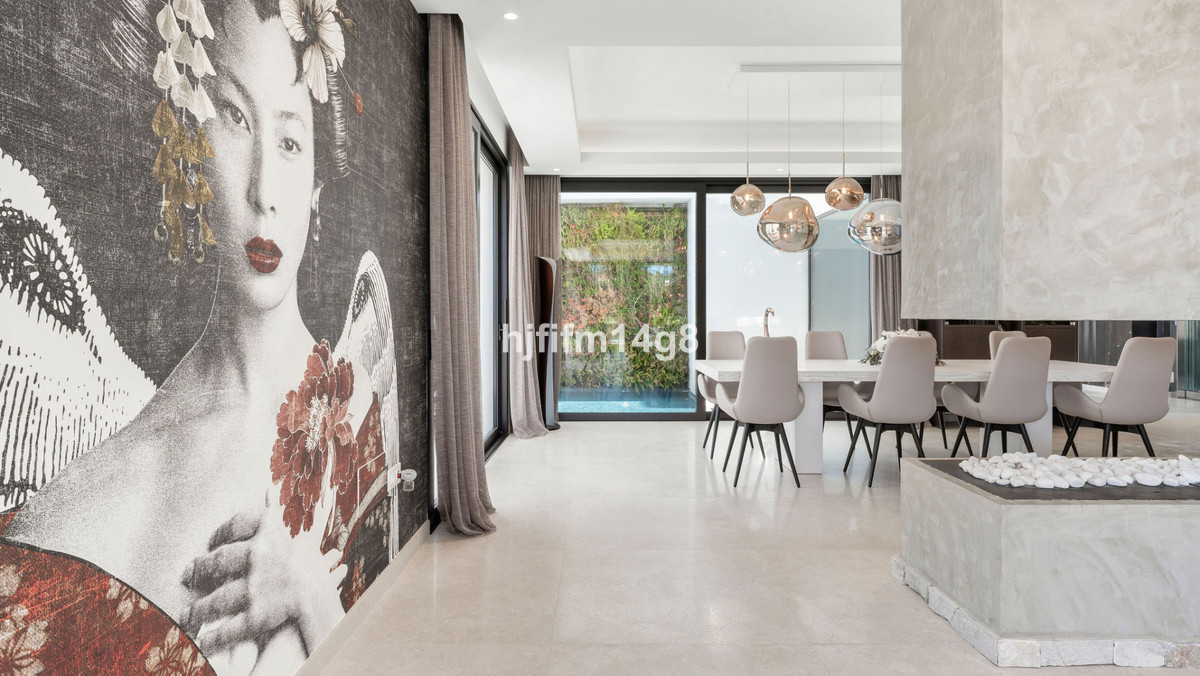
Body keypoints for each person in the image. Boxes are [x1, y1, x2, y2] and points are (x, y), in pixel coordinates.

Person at [3, 0, 392, 672]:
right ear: (189, 144)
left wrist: (311, 597)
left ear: (317, 190)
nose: (263, 190)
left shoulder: (354, 411)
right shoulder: (100, 477)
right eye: (234, 119)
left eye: (290, 142)